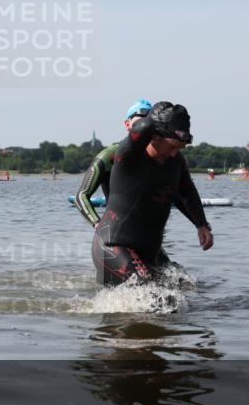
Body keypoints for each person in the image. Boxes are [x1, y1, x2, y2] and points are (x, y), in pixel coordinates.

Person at [92, 101, 214, 287]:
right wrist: (157, 116)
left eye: (178, 149)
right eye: (171, 147)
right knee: (152, 295)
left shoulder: (176, 161)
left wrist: (201, 225)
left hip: (149, 250)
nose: (174, 154)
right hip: (114, 245)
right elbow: (142, 128)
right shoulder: (129, 154)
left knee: (184, 286)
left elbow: (187, 192)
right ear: (154, 136)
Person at [75, 99, 152, 227]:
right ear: (127, 124)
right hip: (115, 232)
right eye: (140, 121)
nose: (145, 125)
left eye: (149, 122)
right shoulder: (110, 155)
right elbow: (81, 196)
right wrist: (97, 224)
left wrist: (199, 225)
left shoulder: (162, 157)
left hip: (148, 234)